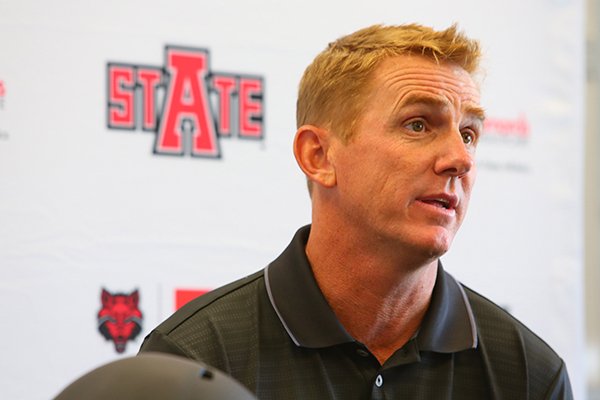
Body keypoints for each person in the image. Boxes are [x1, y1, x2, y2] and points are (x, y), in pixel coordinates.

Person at [140, 23, 573, 399]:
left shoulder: (528, 374)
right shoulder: (195, 360)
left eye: (469, 133)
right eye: (418, 124)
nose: (459, 158)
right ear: (319, 156)